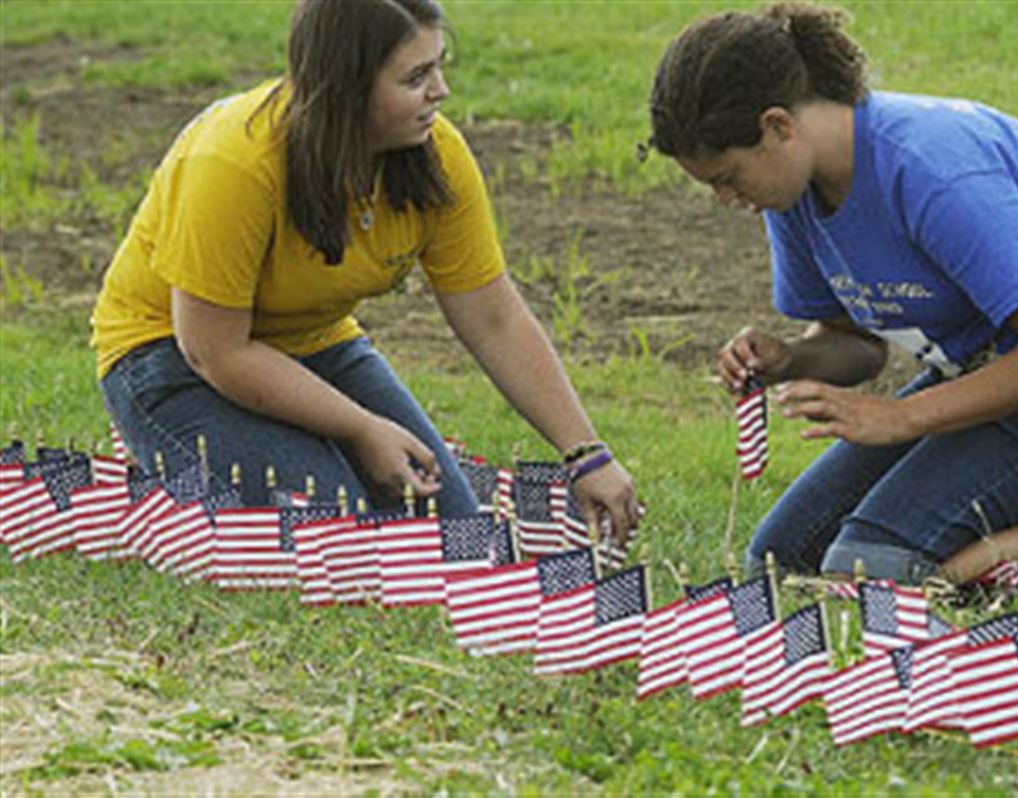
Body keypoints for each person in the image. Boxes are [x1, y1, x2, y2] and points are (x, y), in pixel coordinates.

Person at [91, 0, 639, 537]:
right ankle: (168, 459)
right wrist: (360, 429)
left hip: (316, 346)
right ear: (345, 87)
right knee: (340, 524)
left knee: (454, 530)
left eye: (439, 66)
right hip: (170, 358)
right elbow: (214, 350)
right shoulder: (233, 161)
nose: (440, 91)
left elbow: (492, 317)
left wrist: (585, 455)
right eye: (416, 77)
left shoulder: (437, 154)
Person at [646, 3, 1018, 583]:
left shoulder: (931, 169)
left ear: (779, 126)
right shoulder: (793, 189)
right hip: (996, 371)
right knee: (779, 561)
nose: (726, 200)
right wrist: (790, 358)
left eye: (727, 178)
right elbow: (857, 347)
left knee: (878, 570)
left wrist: (905, 416)